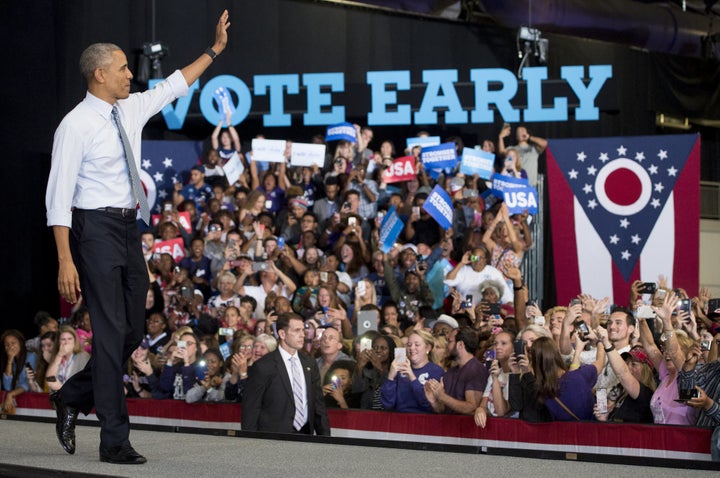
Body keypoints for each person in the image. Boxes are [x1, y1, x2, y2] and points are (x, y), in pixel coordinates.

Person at [44, 10, 231, 464]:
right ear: (100, 74)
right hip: (93, 231)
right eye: (124, 68)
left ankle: (71, 396)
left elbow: (173, 84)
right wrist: (65, 260)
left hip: (130, 228)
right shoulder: (74, 125)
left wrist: (214, 50)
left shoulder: (129, 108)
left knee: (129, 332)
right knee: (110, 336)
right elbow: (58, 197)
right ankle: (114, 442)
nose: (132, 74)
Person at [242, 312, 330, 435]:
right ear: (282, 334)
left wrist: (326, 439)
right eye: (296, 330)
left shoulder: (309, 363)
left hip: (305, 437)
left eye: (303, 330)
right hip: (273, 440)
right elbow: (251, 409)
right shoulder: (263, 366)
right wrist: (250, 443)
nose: (302, 335)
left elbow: (318, 405)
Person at [424, 327, 488, 415]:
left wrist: (442, 396)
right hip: (448, 426)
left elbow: (472, 407)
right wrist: (434, 402)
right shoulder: (450, 372)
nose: (447, 345)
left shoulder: (476, 370)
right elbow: (444, 410)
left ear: (460, 345)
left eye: (450, 341)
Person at [380, 329, 444, 413]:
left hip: (425, 420)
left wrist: (412, 377)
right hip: (400, 419)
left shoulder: (436, 371)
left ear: (428, 348)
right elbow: (387, 404)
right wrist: (391, 377)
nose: (412, 348)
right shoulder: (399, 370)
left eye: (417, 344)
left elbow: (429, 406)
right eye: (409, 345)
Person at [2, 330, 37, 414]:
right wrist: (10, 360)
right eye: (7, 345)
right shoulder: (11, 361)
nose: (10, 347)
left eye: (13, 343)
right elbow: (7, 386)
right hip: (18, 404)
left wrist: (11, 394)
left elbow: (27, 385)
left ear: (20, 343)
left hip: (31, 404)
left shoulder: (31, 357)